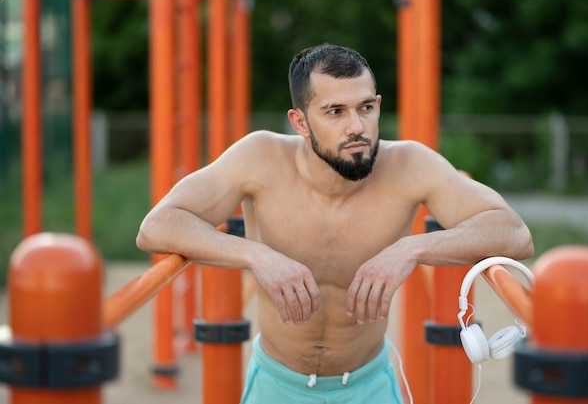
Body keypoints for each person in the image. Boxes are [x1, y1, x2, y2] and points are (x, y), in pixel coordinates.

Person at [136, 43, 534, 403]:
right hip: (276, 385)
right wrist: (256, 255)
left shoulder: (410, 164)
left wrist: (410, 248)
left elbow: (514, 234)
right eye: (335, 112)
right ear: (300, 121)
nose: (357, 127)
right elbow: (157, 227)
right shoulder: (260, 157)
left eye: (365, 107)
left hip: (368, 386)